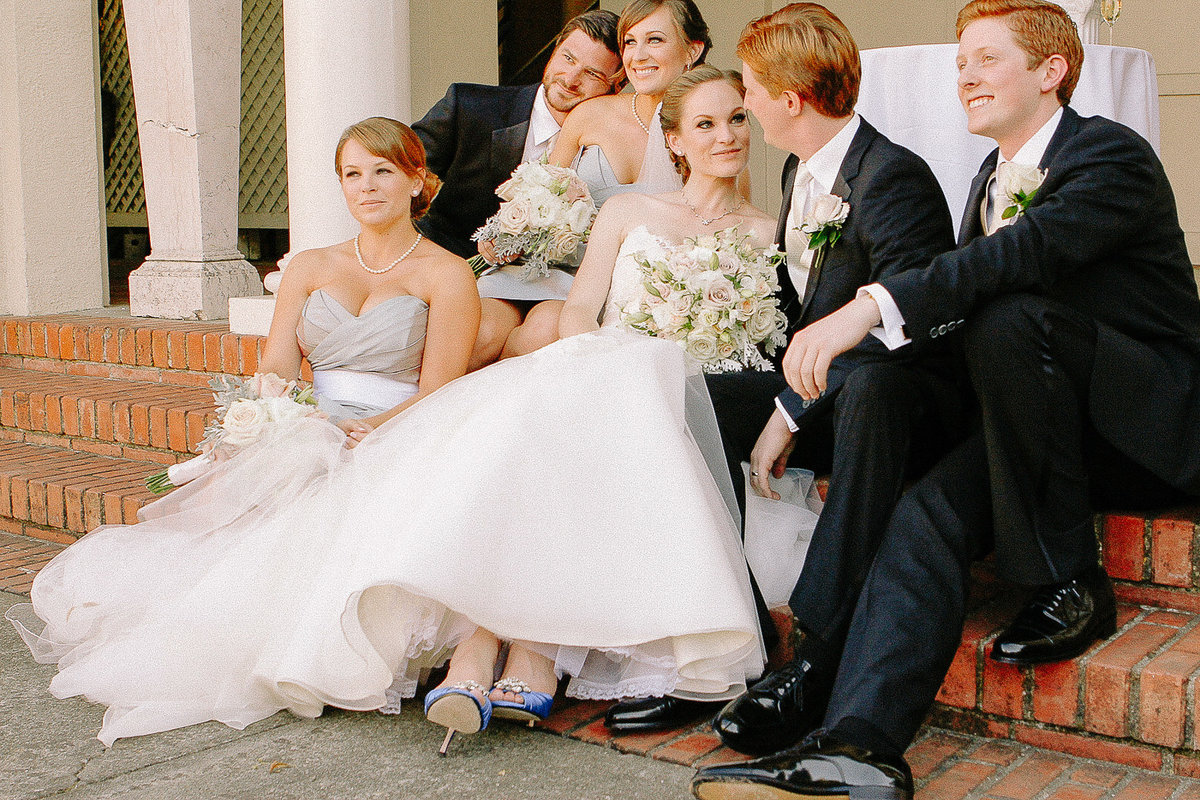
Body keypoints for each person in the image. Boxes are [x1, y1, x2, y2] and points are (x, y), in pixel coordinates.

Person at [7, 74, 769, 751]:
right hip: (316, 423)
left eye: (382, 171)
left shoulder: (445, 276)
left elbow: (437, 385)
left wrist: (376, 430)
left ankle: (493, 646)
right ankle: (493, 646)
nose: (365, 187)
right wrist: (274, 411)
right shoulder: (308, 264)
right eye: (351, 175)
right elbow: (277, 361)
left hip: (409, 418)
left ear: (418, 182)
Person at [692, 2, 1200, 798]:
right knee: (918, 520)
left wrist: (867, 305)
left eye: (987, 59)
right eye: (961, 62)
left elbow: (1019, 260)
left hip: (1135, 427)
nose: (965, 75)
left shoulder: (1108, 154)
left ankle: (1069, 579)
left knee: (1008, 312)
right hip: (1034, 429)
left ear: (1051, 71)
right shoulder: (987, 181)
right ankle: (858, 751)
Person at [604, 3, 962, 735]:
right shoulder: (803, 169)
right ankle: (725, 638)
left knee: (869, 388)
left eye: (752, 96)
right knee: (670, 405)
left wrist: (788, 412)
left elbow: (910, 326)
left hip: (890, 403)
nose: (746, 108)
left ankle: (814, 657)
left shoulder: (892, 178)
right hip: (825, 390)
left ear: (789, 101)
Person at [479, 0, 713, 364]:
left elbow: (721, 229)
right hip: (539, 266)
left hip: (613, 285)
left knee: (542, 334)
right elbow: (537, 192)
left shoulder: (710, 133)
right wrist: (506, 233)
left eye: (654, 40)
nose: (638, 55)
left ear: (692, 51)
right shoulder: (590, 114)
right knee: (481, 333)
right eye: (630, 43)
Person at [412, 10, 624, 370]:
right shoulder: (471, 106)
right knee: (481, 336)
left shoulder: (616, 144)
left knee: (544, 339)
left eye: (591, 73)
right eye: (567, 59)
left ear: (616, 86)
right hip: (471, 268)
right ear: (554, 52)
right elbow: (399, 174)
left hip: (565, 283)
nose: (571, 78)